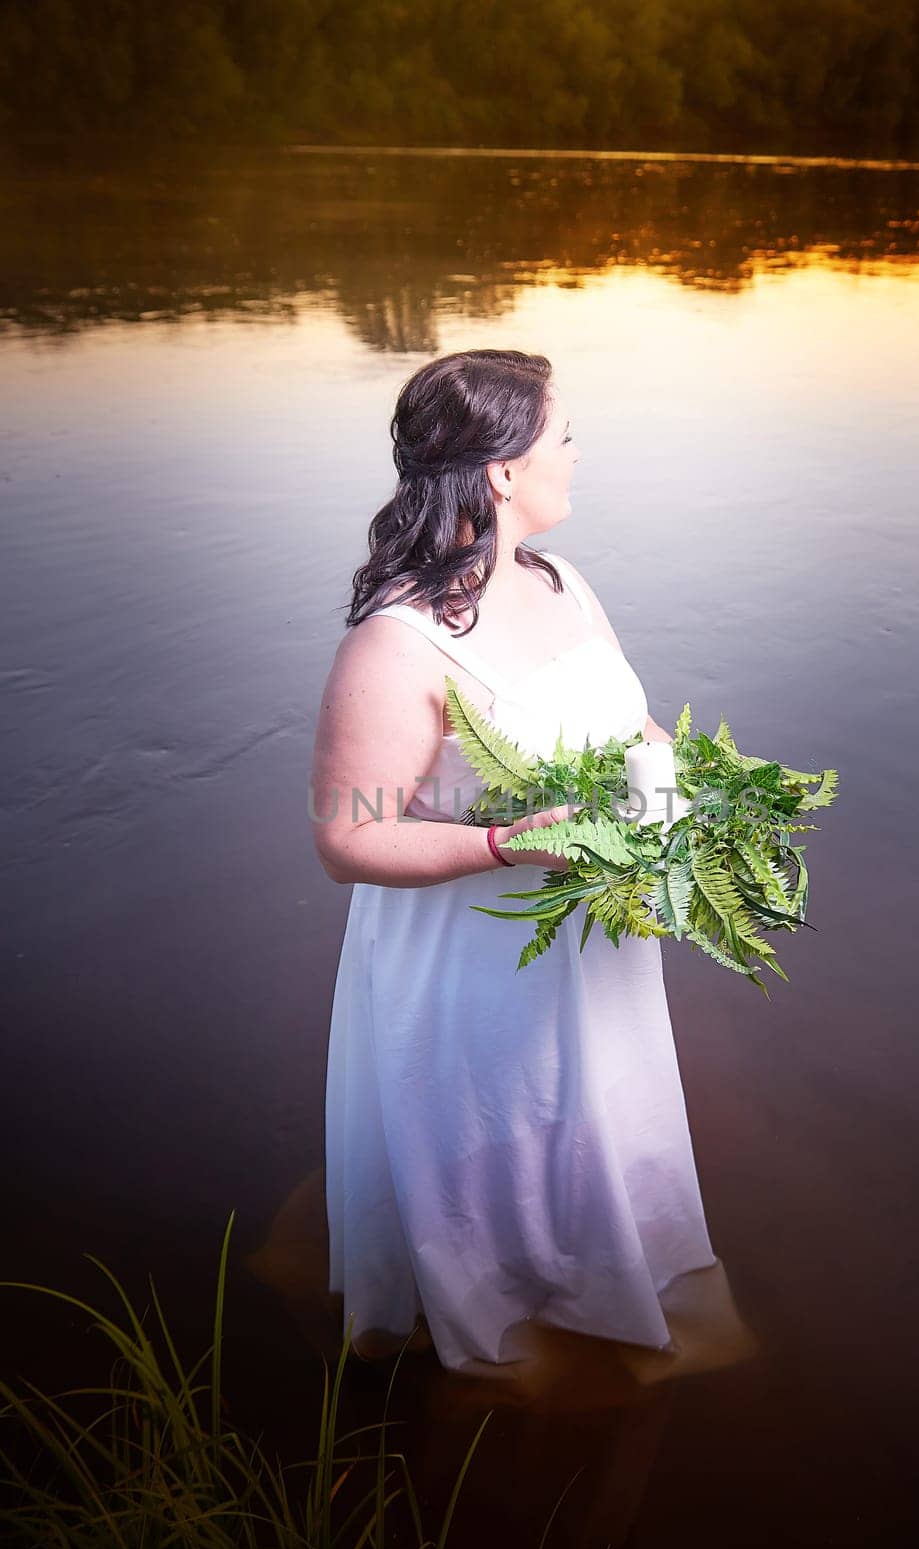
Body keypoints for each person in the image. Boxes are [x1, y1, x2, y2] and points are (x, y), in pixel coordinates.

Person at [309, 348, 726, 1380]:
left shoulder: (560, 580)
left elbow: (632, 726)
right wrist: (505, 841)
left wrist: (675, 815)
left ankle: (608, 1274)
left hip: (596, 933)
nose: (576, 454)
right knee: (500, 1127)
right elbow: (347, 834)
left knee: (596, 1113)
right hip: (474, 954)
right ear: (501, 472)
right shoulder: (396, 646)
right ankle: (496, 1315)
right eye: (562, 435)